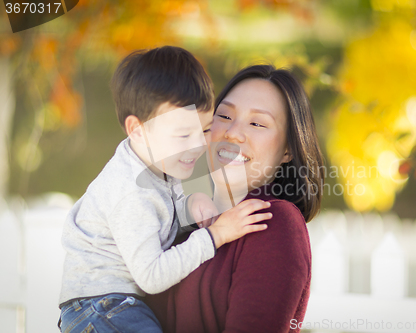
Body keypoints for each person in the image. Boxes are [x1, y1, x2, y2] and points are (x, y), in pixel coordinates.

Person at [57, 47, 272, 333]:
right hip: (100, 308)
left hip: (115, 305)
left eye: (205, 130)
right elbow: (152, 276)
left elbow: (172, 191)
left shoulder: (159, 157)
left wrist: (192, 200)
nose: (197, 145)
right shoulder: (132, 193)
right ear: (138, 130)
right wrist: (215, 235)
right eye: (184, 134)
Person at [146, 65, 325, 333]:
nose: (233, 133)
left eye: (257, 123)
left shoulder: (271, 223)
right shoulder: (175, 214)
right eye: (225, 116)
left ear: (288, 149)